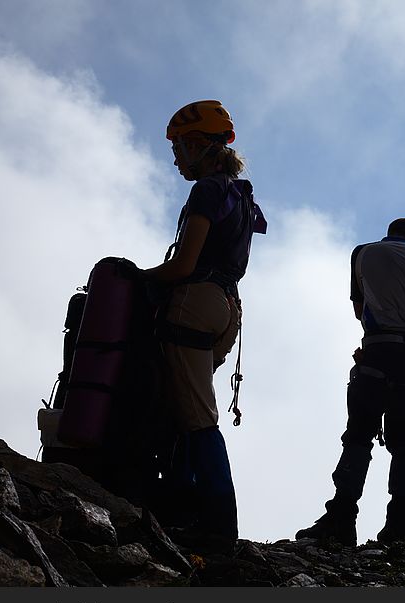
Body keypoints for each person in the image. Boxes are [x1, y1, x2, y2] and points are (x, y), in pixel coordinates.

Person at [296, 218, 405, 546]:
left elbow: (359, 309)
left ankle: (341, 520)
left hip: (376, 351)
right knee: (403, 441)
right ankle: (400, 527)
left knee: (359, 436)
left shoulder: (363, 253)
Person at [142, 99, 266, 542]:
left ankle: (216, 527)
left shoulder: (208, 190)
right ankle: (180, 507)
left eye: (178, 147)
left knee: (196, 417)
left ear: (197, 144)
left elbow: (183, 265)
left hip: (195, 301)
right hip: (228, 310)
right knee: (183, 405)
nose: (175, 158)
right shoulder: (241, 194)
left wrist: (133, 276)